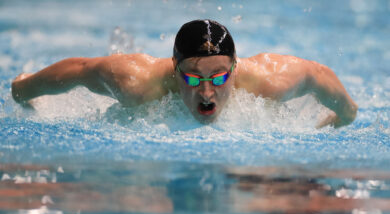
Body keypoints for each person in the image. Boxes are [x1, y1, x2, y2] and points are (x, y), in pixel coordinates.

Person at [11, 19, 357, 128]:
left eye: (219, 77)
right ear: (174, 69)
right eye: (192, 78)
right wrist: (23, 90)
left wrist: (332, 124)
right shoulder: (137, 82)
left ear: (235, 69)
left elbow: (321, 77)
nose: (206, 94)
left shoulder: (272, 80)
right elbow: (81, 69)